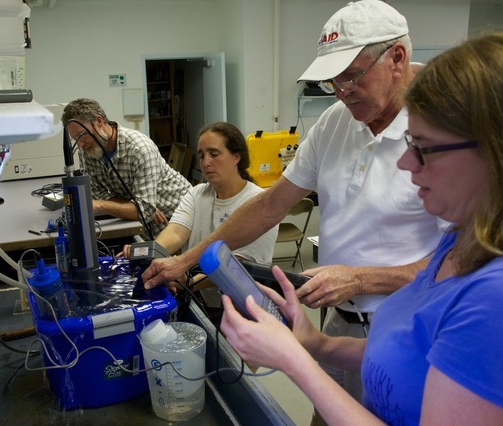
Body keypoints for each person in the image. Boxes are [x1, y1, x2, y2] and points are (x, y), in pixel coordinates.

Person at [142, 0, 446, 405]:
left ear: (397, 57)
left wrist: (361, 279)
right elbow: (271, 206)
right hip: (339, 321)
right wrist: (185, 261)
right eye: (332, 81)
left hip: (411, 327)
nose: (341, 92)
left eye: (352, 76)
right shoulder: (336, 122)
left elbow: (462, 262)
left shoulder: (445, 131)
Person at [219, 31, 503, 425]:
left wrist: (293, 361)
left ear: (496, 152)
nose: (407, 165)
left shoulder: (500, 297)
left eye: (425, 148)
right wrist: (315, 342)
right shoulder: (461, 244)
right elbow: (404, 354)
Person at [120, 122, 278, 294]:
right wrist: (147, 253)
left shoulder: (258, 203)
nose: (206, 162)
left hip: (238, 305)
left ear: (236, 157)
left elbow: (237, 265)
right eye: (202, 156)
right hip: (197, 298)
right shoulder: (197, 193)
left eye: (214, 154)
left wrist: (188, 282)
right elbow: (176, 233)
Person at [61, 98, 192, 237]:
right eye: (75, 139)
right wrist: (134, 206)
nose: (80, 144)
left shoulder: (139, 149)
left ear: (99, 122)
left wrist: (101, 205)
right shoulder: (88, 150)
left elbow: (144, 211)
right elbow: (98, 193)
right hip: (143, 223)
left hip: (177, 218)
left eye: (82, 135)